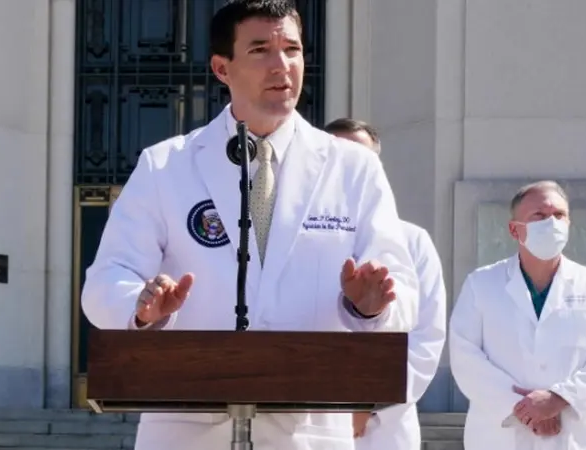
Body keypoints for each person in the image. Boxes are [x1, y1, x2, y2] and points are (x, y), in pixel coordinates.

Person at [80, 1, 419, 449]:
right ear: (222, 68)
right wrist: (142, 311)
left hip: (308, 430)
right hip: (187, 428)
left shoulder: (353, 168)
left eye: (293, 49)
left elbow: (403, 294)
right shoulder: (165, 165)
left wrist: (369, 306)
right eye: (260, 49)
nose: (282, 65)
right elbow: (105, 282)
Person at [449, 180, 586, 450]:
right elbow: (465, 356)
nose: (552, 223)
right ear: (515, 230)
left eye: (559, 215)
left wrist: (559, 399)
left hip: (578, 435)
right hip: (502, 436)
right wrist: (524, 409)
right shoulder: (481, 284)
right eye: (539, 216)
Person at [325, 118, 447, 450]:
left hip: (385, 427)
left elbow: (425, 337)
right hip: (312, 416)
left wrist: (370, 402)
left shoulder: (412, 241)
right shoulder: (298, 238)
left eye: (359, 158)